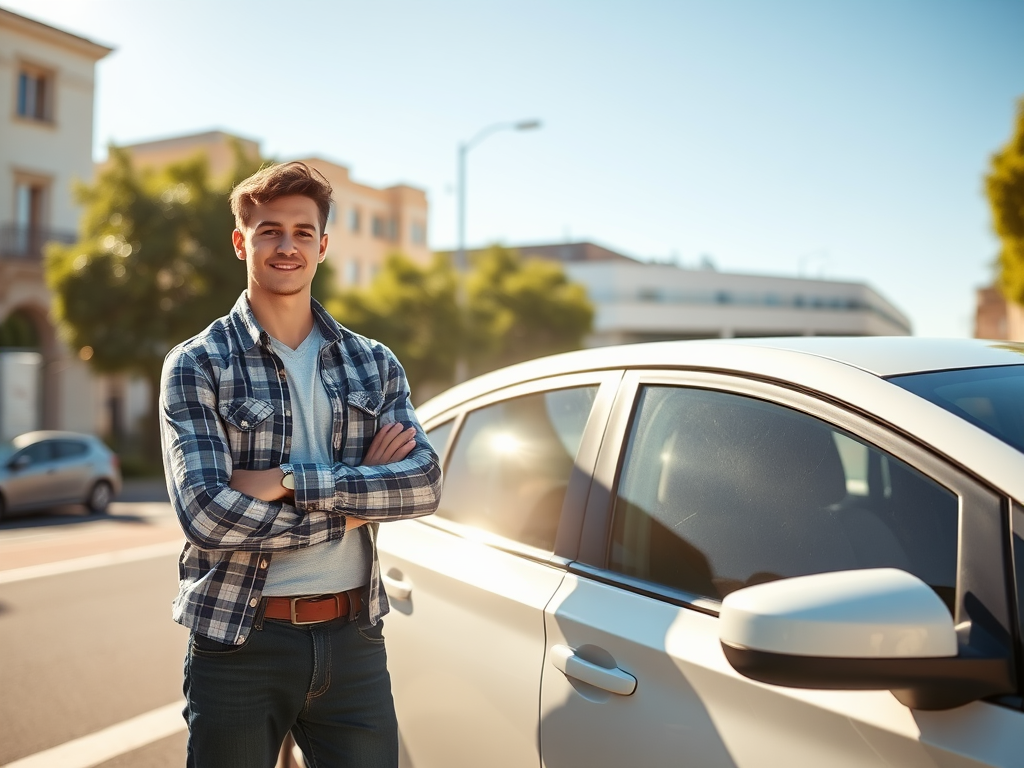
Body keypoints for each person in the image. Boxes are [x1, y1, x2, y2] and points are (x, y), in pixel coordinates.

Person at [159, 161, 442, 768]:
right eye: (269, 231)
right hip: (241, 639)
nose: (286, 246)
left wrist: (286, 482)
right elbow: (206, 514)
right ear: (242, 241)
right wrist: (350, 510)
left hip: (355, 638)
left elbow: (422, 482)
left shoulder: (373, 363)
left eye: (302, 232)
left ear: (323, 245)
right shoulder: (198, 363)